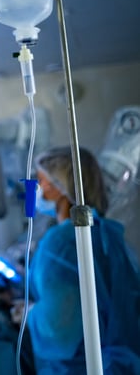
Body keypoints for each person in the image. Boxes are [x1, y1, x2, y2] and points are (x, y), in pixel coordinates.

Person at [27, 146, 140, 374]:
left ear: (60, 187)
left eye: (41, 180)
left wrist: (29, 314)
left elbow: (58, 332)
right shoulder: (108, 234)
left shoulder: (60, 244)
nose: (36, 189)